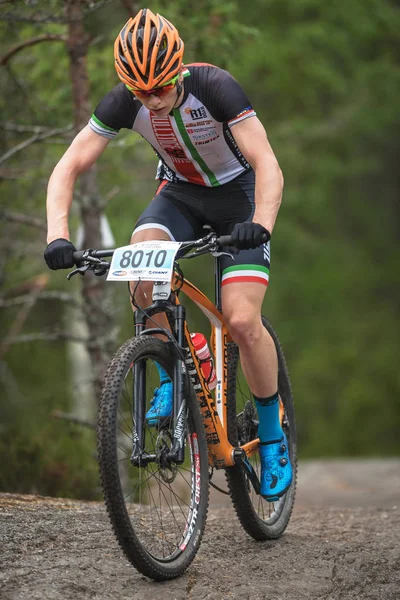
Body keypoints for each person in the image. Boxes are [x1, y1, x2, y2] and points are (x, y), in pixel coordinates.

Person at [44, 8, 292, 501]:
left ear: (177, 71)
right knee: (141, 265)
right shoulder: (125, 101)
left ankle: (271, 434)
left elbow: (267, 163)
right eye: (140, 93)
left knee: (242, 322)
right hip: (178, 196)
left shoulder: (216, 87)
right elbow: (69, 165)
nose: (151, 102)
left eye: (159, 88)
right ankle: (170, 370)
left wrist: (260, 224)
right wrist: (57, 236)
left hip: (238, 198)